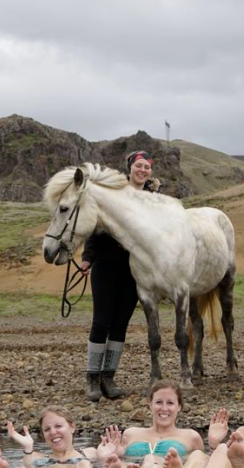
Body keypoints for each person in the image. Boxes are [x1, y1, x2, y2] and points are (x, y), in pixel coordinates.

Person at [78, 150, 156, 401]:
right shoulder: (115, 194)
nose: (142, 170)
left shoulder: (153, 199)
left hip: (135, 269)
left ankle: (108, 377)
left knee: (121, 323)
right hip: (106, 264)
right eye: (139, 166)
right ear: (130, 168)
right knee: (102, 321)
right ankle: (92, 378)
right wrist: (88, 257)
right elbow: (95, 226)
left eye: (147, 167)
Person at [103, 379, 206, 468]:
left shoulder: (191, 436)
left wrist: (214, 444)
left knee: (151, 458)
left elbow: (200, 464)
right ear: (150, 405)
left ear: (179, 407)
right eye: (159, 402)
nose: (164, 408)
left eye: (170, 403)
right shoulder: (130, 433)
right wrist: (116, 454)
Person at [7, 406, 96, 468]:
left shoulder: (89, 453)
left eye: (58, 426)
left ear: (72, 427)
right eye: (47, 429)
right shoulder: (36, 457)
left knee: (84, 465)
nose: (53, 432)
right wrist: (28, 447)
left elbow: (104, 464)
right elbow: (27, 467)